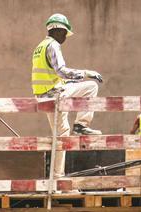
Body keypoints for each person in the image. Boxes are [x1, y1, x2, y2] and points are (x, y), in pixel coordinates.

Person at [32, 13, 104, 177]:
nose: (65, 37)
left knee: (61, 137)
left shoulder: (40, 47)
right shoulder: (53, 45)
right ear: (57, 30)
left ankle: (57, 178)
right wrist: (86, 73)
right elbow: (61, 71)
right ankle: (81, 125)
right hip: (55, 95)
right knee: (91, 87)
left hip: (46, 96)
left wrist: (68, 84)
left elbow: (51, 76)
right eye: (64, 33)